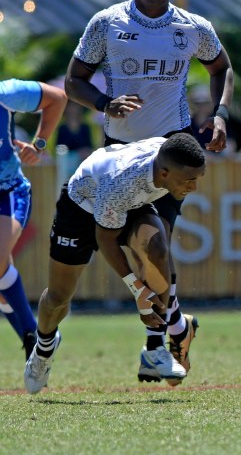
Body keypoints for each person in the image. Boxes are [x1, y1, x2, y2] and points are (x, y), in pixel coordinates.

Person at [63, 0, 235, 385]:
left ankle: (156, 348)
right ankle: (175, 331)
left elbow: (222, 69)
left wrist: (219, 115)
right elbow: (73, 82)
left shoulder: (193, 28)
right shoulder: (107, 24)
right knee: (137, 252)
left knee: (154, 248)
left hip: (169, 155)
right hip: (119, 154)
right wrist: (105, 102)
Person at [24, 133, 207, 394]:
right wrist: (138, 290)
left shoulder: (170, 159)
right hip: (81, 206)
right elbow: (104, 238)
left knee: (157, 247)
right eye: (189, 181)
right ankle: (42, 350)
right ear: (164, 174)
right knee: (58, 298)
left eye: (198, 179)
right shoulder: (123, 182)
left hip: (127, 203)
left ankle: (156, 347)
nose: (193, 188)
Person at [0, 79, 67, 361]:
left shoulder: (6, 94)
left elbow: (58, 98)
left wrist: (38, 145)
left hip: (8, 192)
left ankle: (34, 337)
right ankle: (36, 343)